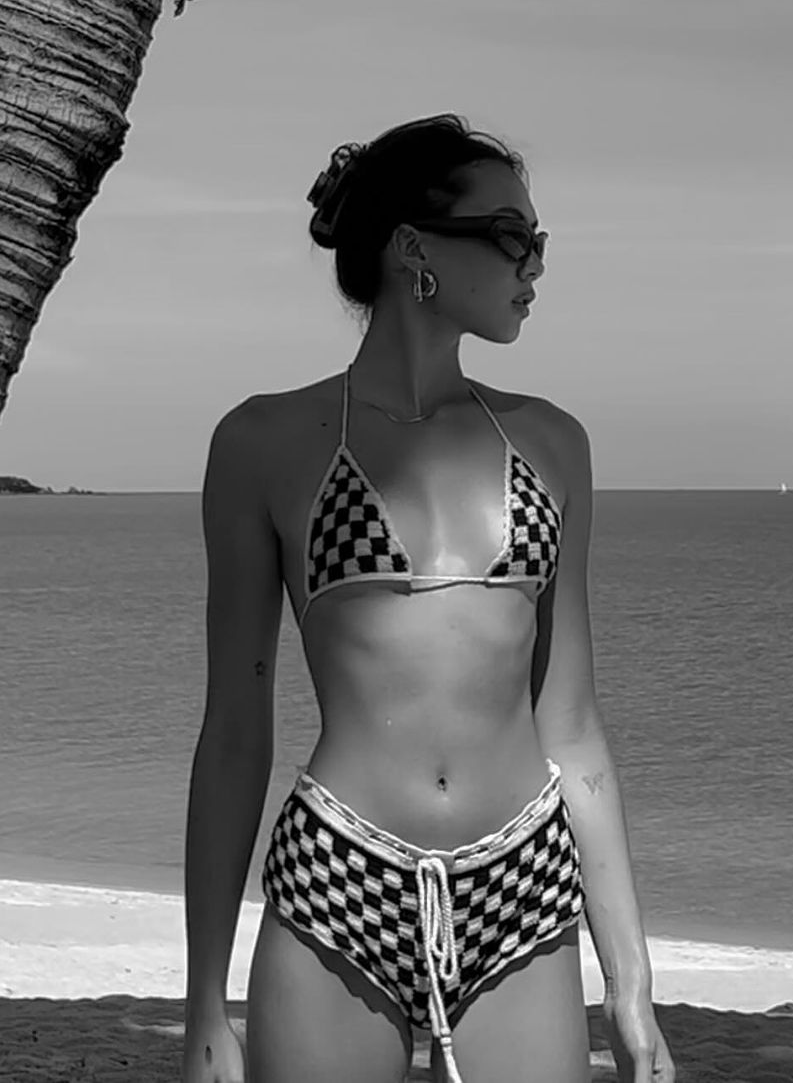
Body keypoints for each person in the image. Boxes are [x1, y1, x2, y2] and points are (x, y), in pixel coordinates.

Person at [182, 114, 674, 1083]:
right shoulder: (262, 443)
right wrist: (203, 1000)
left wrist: (631, 979)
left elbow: (573, 728)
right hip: (338, 873)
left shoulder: (553, 443)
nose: (535, 262)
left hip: (523, 877)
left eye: (538, 239)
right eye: (511, 235)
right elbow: (234, 732)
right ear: (414, 248)